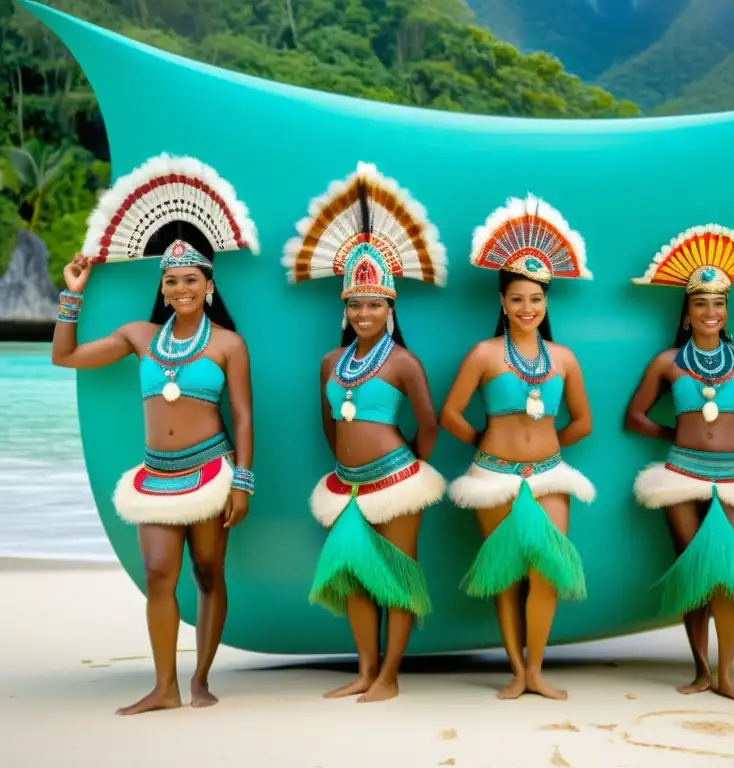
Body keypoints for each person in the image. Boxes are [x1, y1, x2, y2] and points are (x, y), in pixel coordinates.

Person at [51, 153, 259, 715]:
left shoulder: (227, 344)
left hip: (212, 471)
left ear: (208, 285)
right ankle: (165, 686)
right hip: (156, 475)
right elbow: (64, 355)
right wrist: (74, 291)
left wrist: (243, 481)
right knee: (159, 573)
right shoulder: (140, 336)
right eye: (172, 281)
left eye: (191, 279)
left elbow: (242, 415)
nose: (181, 288)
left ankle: (201, 680)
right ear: (163, 289)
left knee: (208, 571)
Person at [283, 161, 448, 703]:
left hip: (397, 479)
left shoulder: (403, 362)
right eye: (355, 304)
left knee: (397, 576)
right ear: (346, 306)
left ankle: (390, 677)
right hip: (347, 483)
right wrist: (347, 465)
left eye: (374, 304)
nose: (363, 312)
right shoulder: (331, 362)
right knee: (355, 575)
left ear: (390, 308)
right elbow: (329, 422)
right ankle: (364, 668)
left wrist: (412, 469)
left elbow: (428, 423)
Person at [625, 224, 734, 703]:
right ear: (687, 310)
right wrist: (675, 434)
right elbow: (635, 417)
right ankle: (700, 670)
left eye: (718, 303)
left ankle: (727, 675)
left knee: (729, 571)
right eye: (701, 303)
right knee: (691, 569)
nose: (710, 312)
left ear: (727, 309)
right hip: (680, 473)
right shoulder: (667, 362)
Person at [440, 193, 594, 700]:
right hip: (492, 476)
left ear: (546, 302)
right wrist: (486, 443)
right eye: (517, 299)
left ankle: (537, 669)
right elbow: (450, 415)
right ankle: (516, 671)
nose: (527, 308)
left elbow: (583, 423)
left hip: (549, 473)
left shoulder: (565, 358)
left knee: (546, 572)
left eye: (536, 299)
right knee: (505, 576)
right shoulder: (484, 354)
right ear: (503, 303)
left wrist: (546, 445)